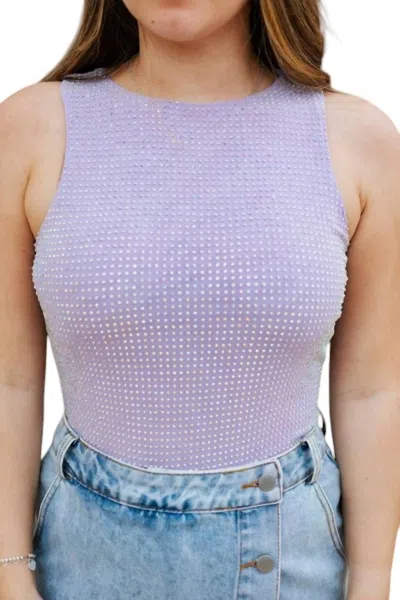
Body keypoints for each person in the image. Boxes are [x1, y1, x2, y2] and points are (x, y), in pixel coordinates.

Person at [1, 0, 399, 598]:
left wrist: (371, 583)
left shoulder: (356, 139)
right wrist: (8, 569)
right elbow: (9, 379)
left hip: (292, 563)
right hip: (76, 557)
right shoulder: (31, 128)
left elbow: (374, 388)